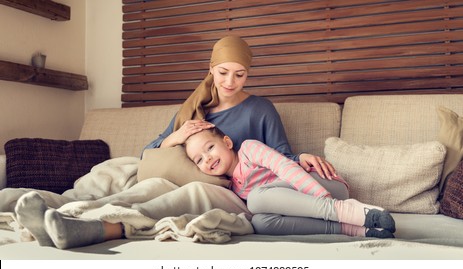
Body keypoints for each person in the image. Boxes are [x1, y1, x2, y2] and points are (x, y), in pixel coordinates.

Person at [10, 35, 349, 249]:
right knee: (125, 176)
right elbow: (150, 152)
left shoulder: (259, 109)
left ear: (249, 73)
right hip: (172, 174)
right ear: (211, 69)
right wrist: (178, 135)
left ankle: (85, 225)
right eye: (223, 72)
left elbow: (278, 158)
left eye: (240, 74)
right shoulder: (195, 109)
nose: (230, 81)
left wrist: (301, 157)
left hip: (229, 188)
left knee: (183, 194)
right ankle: (53, 206)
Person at [183, 127, 396, 238]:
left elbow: (286, 167)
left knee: (256, 199)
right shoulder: (234, 187)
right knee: (260, 223)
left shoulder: (249, 149)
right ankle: (356, 230)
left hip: (323, 186)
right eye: (199, 159)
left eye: (209, 148)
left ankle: (353, 212)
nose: (207, 158)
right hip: (310, 210)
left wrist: (324, 199)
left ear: (227, 142)